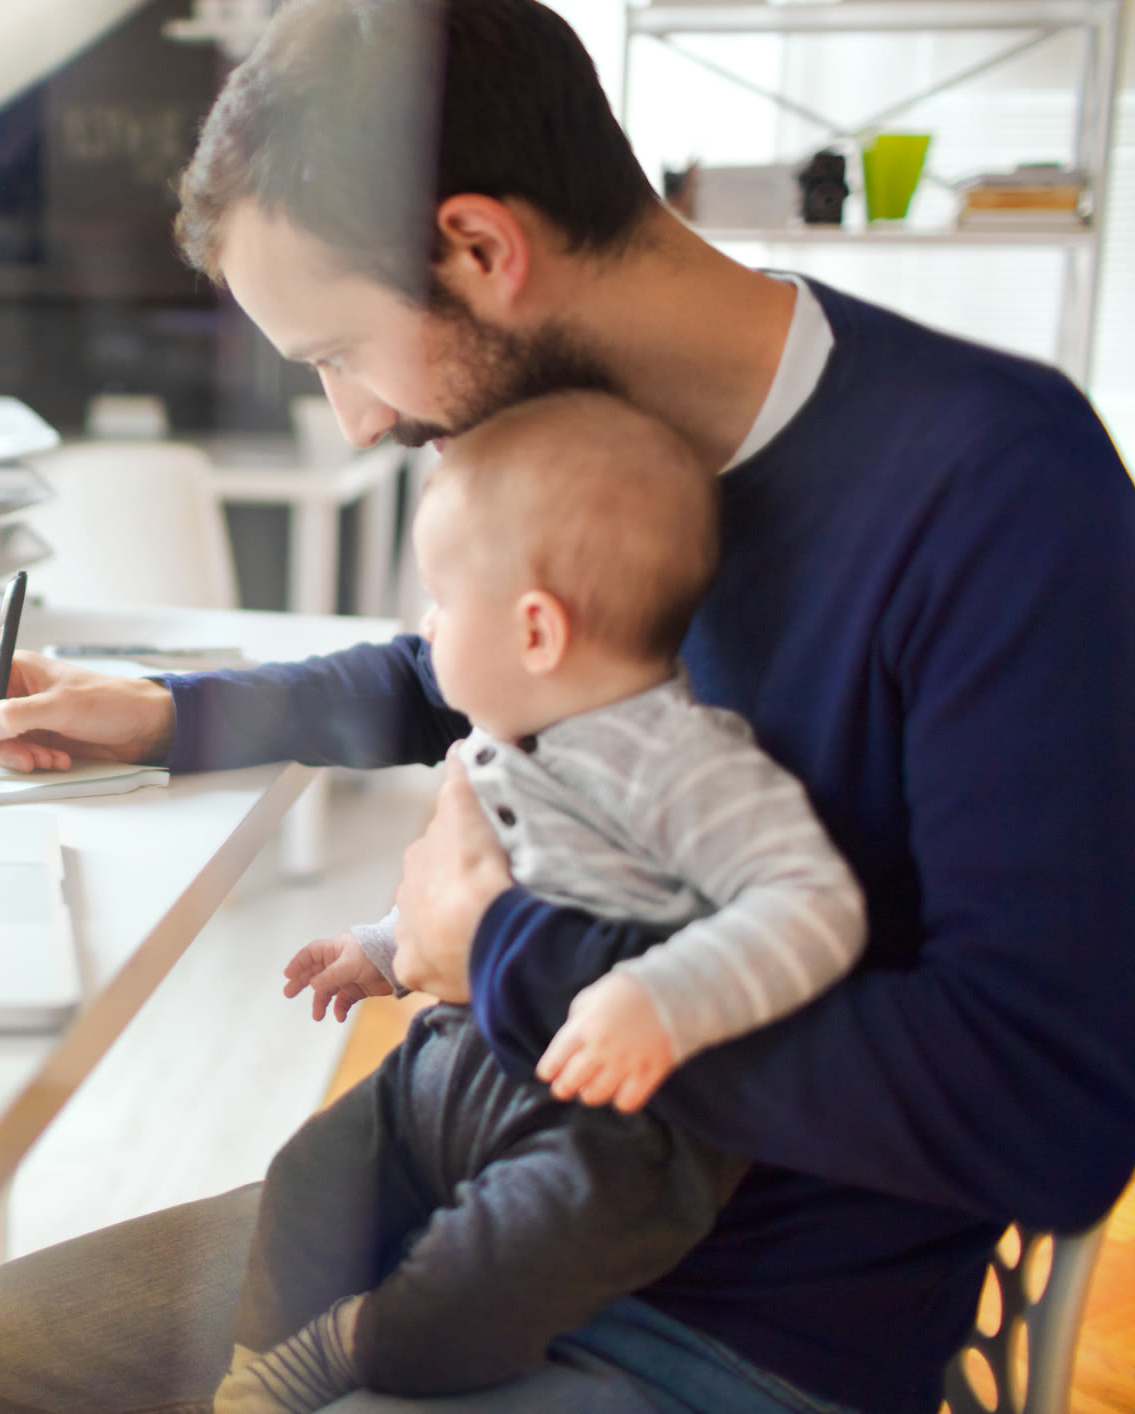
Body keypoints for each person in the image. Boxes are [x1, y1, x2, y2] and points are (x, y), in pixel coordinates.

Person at [0, 0, 1135, 1409]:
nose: (351, 418)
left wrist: (502, 949)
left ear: (479, 247)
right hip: (458, 1193)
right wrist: (165, 713)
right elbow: (440, 670)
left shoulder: (1002, 497)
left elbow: (1049, 1118)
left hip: (716, 1328)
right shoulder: (604, 438)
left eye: (338, 348)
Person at [218, 390, 865, 1412]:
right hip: (461, 1068)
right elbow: (480, 893)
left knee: (477, 1287)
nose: (424, 629)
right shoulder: (504, 730)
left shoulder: (682, 762)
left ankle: (362, 1345)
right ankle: (264, 1368)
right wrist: (386, 947)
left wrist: (664, 997)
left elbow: (815, 903)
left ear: (535, 627)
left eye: (436, 600)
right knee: (311, 1175)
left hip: (607, 1132)